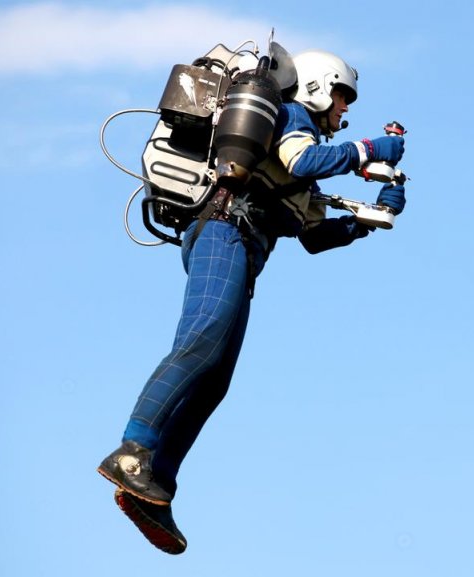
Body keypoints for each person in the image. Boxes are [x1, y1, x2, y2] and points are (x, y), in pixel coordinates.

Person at [97, 49, 406, 555]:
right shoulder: (292, 118)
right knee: (202, 341)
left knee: (214, 378)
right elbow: (305, 158)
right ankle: (132, 452)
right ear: (316, 85)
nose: (343, 110)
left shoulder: (298, 145)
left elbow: (313, 235)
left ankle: (157, 492)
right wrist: (370, 148)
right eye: (341, 97)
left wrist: (372, 220)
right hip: (223, 231)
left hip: (244, 244)